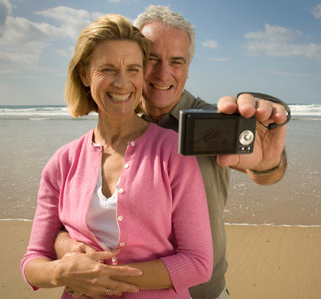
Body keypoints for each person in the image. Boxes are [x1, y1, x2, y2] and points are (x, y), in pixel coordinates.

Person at [54, 5, 288, 299]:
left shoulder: (212, 121)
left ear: (188, 69)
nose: (164, 73)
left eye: (177, 61)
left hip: (203, 291)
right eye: (152, 59)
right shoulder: (115, 119)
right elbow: (72, 218)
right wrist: (64, 245)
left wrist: (268, 163)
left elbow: (267, 173)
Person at [21, 14, 213, 299]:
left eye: (133, 69)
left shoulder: (173, 152)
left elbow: (198, 263)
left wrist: (103, 279)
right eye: (108, 69)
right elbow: (33, 262)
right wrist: (64, 272)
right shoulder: (62, 162)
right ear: (85, 73)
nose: (122, 83)